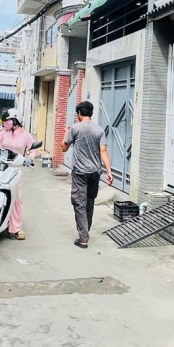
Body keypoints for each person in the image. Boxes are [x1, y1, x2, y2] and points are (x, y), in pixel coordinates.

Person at [62, 101, 113, 249]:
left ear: (79, 114)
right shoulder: (99, 130)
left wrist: (66, 131)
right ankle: (86, 230)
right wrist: (109, 171)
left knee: (79, 203)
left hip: (80, 172)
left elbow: (63, 148)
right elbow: (103, 151)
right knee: (89, 202)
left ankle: (83, 238)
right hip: (95, 172)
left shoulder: (75, 128)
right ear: (91, 113)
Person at [0, 108, 35, 240]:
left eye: (8, 121)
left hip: (16, 168)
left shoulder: (26, 136)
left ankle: (16, 227)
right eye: (5, 122)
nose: (5, 123)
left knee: (16, 198)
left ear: (16, 121)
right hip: (1, 165)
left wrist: (30, 158)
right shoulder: (3, 133)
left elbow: (33, 150)